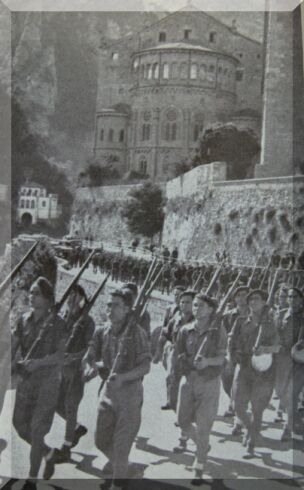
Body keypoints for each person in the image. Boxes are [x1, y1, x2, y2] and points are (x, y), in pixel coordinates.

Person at [82, 289, 151, 490]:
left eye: (116, 305)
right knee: (101, 440)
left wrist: (123, 378)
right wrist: (90, 368)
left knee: (121, 447)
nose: (110, 309)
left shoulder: (137, 333)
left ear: (127, 309)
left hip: (129, 394)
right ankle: (127, 468)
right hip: (108, 392)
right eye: (108, 305)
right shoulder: (102, 331)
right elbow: (90, 356)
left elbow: (145, 366)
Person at [11, 277, 67, 483]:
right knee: (19, 425)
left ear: (47, 298)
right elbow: (13, 347)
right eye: (31, 293)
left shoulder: (58, 323)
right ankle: (48, 454)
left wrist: (39, 363)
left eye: (36, 294)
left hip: (47, 384)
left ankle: (31, 479)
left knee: (36, 430)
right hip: (26, 382)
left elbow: (61, 356)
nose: (31, 297)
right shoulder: (23, 319)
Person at [175, 293, 227, 485]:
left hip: (209, 382)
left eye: (201, 306)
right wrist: (184, 365)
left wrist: (207, 362)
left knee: (204, 425)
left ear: (211, 309)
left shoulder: (218, 330)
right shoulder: (185, 329)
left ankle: (200, 464)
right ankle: (202, 446)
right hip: (189, 379)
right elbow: (179, 352)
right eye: (195, 305)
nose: (196, 309)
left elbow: (223, 357)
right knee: (182, 421)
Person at [230, 289, 279, 458]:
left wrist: (265, 349)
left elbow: (277, 346)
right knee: (238, 405)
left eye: (256, 299)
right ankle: (251, 429)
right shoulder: (241, 321)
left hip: (263, 371)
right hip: (244, 368)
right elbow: (232, 342)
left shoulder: (270, 324)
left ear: (264, 302)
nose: (252, 302)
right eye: (250, 299)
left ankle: (251, 445)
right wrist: (234, 354)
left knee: (258, 409)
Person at [49, 285, 95, 465]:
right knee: (55, 404)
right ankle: (76, 428)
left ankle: (66, 448)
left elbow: (89, 348)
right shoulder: (63, 318)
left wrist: (73, 358)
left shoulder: (88, 321)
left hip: (76, 372)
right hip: (60, 371)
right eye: (69, 296)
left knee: (70, 407)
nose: (71, 300)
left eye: (76, 297)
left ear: (83, 300)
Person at [275, 287, 304, 441]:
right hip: (282, 360)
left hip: (299, 362)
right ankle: (292, 417)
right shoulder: (280, 315)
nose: (292, 300)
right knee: (280, 391)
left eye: (296, 297)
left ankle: (288, 426)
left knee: (292, 393)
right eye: (290, 297)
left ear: (301, 299)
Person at [161, 290, 195, 413]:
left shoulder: (198, 321)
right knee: (171, 378)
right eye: (182, 302)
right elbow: (166, 333)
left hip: (190, 354)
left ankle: (185, 412)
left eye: (188, 302)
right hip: (175, 352)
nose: (184, 305)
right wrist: (165, 345)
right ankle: (172, 403)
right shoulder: (176, 319)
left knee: (187, 383)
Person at [222, 286, 249, 433]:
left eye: (244, 295)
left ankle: (238, 418)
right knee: (227, 381)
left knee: (240, 385)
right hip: (230, 353)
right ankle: (232, 402)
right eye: (238, 295)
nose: (241, 298)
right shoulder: (228, 315)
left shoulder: (254, 315)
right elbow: (223, 334)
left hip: (247, 355)